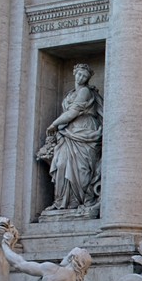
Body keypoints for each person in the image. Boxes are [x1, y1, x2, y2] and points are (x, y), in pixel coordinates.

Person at [40, 63, 102, 213]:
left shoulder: (86, 92)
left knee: (82, 169)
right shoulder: (70, 94)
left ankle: (81, 200)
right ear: (74, 73)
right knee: (61, 164)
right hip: (68, 132)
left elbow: (73, 112)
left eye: (85, 76)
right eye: (79, 74)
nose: (81, 78)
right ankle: (62, 201)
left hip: (84, 130)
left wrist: (54, 124)